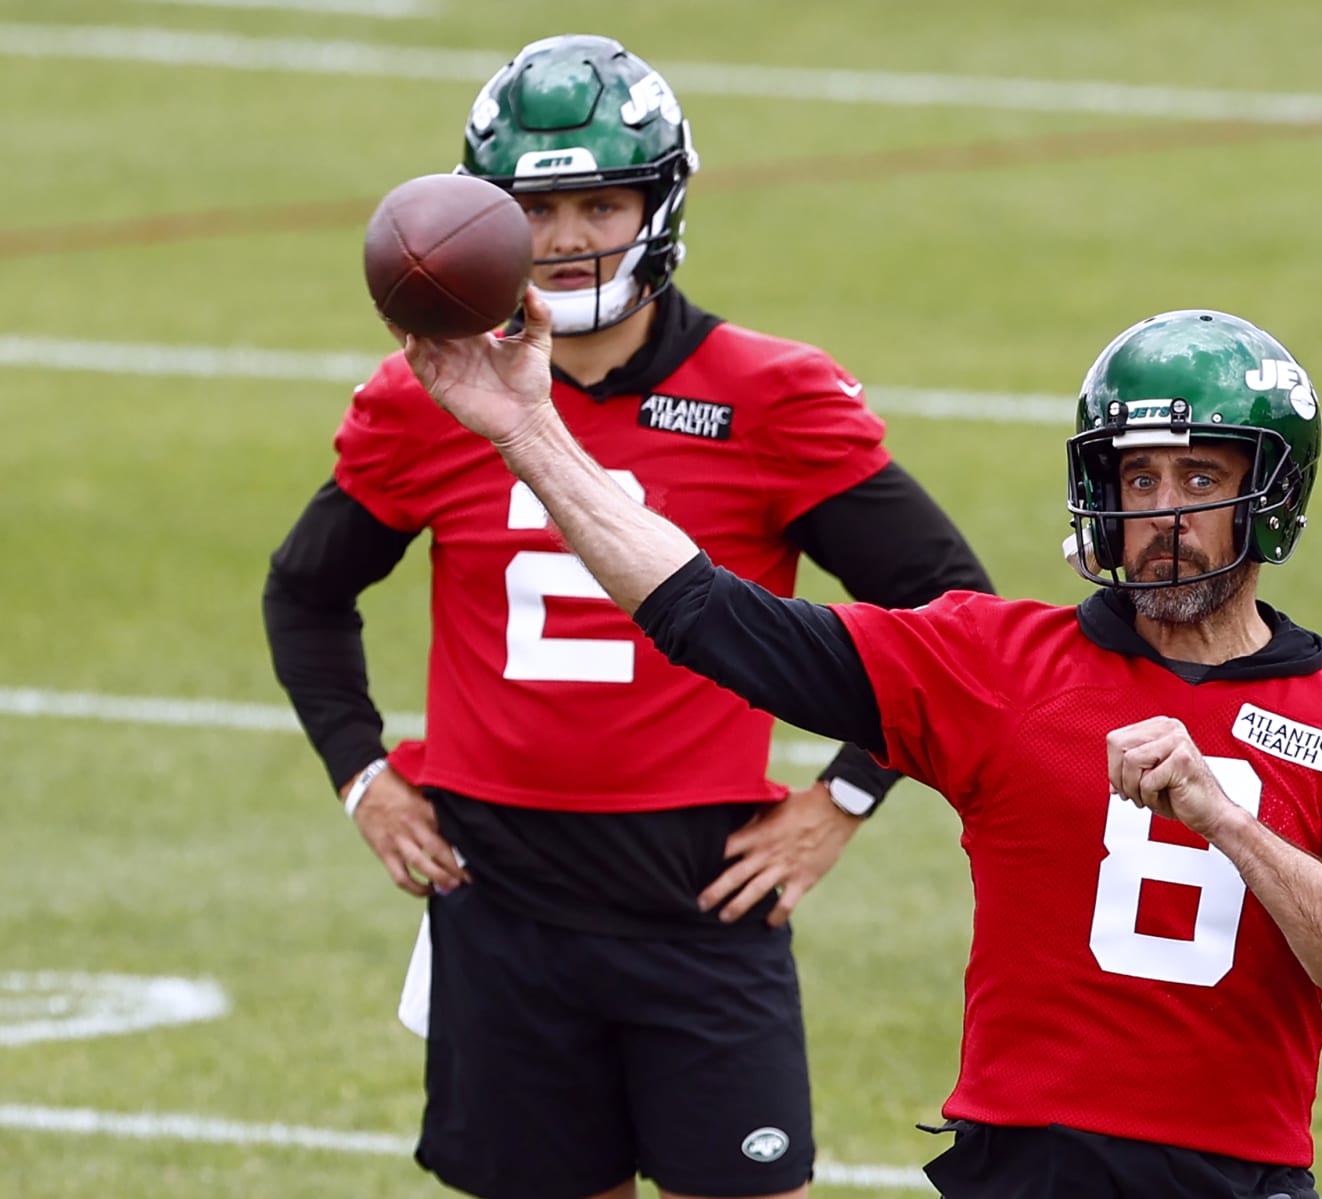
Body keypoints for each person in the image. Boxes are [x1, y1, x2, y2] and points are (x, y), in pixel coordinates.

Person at [399, 296, 1322, 1199]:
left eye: (1199, 478)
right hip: (1016, 1167)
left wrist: (1227, 820)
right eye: (1135, 477)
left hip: (1232, 1179)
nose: (1162, 512)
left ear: (1271, 495)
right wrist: (528, 433)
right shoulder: (993, 659)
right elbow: (708, 613)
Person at [262, 34, 993, 1199]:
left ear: (661, 200)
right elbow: (305, 589)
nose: (563, 239)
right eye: (535, 208)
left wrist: (844, 794)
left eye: (600, 200)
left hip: (697, 889)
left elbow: (953, 616)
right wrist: (364, 774)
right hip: (494, 889)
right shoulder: (426, 395)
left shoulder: (770, 393)